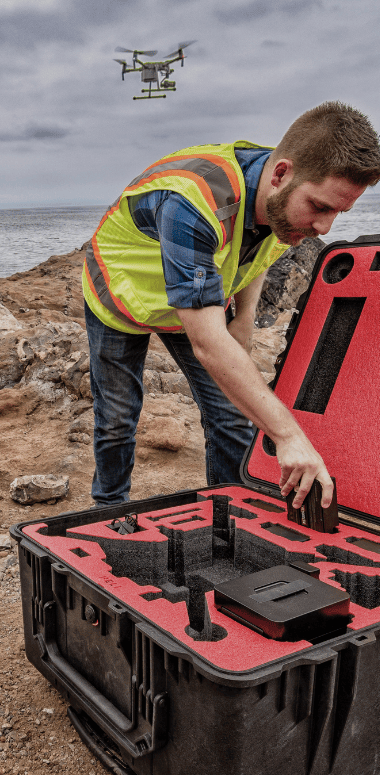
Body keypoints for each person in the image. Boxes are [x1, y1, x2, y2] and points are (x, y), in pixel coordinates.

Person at [84, 101, 380, 512]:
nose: (324, 228)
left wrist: (244, 318)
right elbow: (207, 342)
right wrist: (289, 436)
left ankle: (229, 513)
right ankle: (107, 507)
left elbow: (258, 248)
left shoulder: (281, 194)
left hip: (196, 296)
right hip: (120, 297)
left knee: (229, 415)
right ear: (280, 175)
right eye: (320, 207)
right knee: (117, 418)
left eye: (339, 212)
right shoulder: (193, 200)